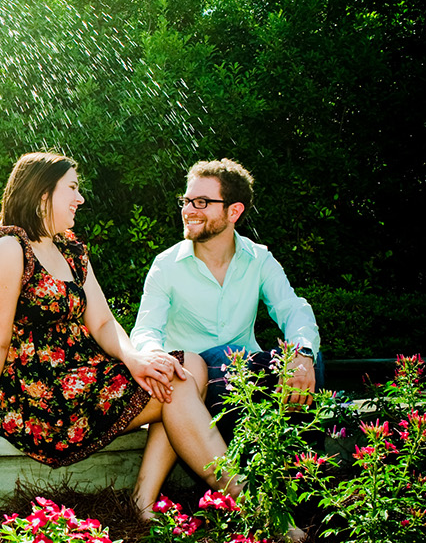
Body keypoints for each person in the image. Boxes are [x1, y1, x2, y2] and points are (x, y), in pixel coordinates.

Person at [0, 152, 238, 518]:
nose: (80, 199)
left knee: (187, 364)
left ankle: (142, 502)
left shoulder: (71, 250)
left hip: (82, 375)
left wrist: (135, 358)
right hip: (43, 397)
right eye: (72, 188)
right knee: (174, 383)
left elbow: (103, 323)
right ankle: (249, 506)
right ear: (43, 193)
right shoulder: (8, 248)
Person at [131, 158, 322, 422]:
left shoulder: (259, 259)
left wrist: (303, 354)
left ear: (234, 212)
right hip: (192, 382)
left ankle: (300, 460)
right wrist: (157, 358)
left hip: (246, 375)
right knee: (224, 357)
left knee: (310, 358)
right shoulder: (166, 265)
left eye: (201, 202)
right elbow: (146, 331)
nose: (188, 210)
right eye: (186, 201)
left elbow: (292, 308)